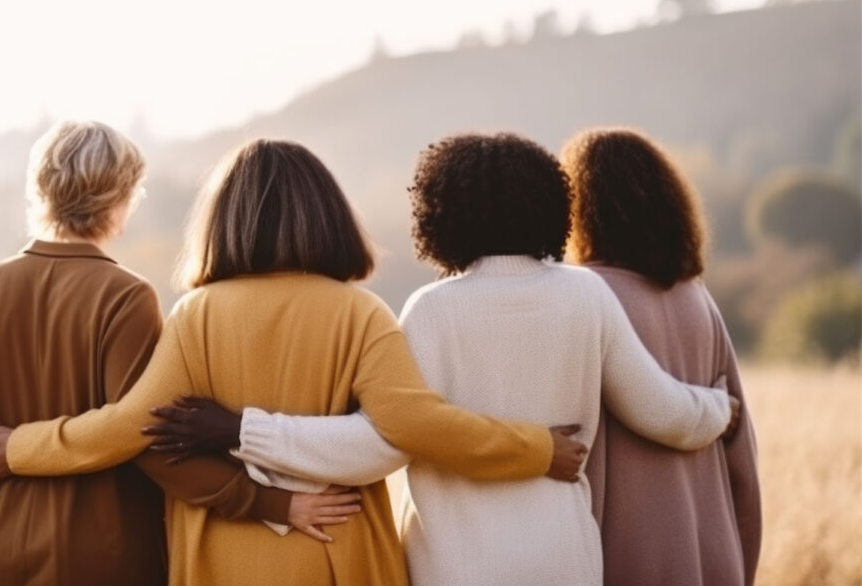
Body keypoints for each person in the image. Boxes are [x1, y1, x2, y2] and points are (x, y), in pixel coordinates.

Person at [0, 138, 591, 586]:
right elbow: (415, 423)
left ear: (223, 221)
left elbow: (129, 427)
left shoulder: (196, 316)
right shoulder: (361, 312)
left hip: (225, 563)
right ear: (328, 214)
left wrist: (18, 448)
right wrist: (537, 448)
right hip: (341, 553)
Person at [139, 132, 740, 586]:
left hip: (454, 568)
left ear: (438, 214)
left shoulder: (430, 310)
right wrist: (720, 408)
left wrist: (245, 430)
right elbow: (661, 412)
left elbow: (381, 443)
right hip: (565, 561)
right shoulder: (586, 295)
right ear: (550, 205)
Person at [0, 122, 346, 586]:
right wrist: (270, 503)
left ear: (39, 191)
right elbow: (148, 439)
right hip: (104, 556)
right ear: (120, 198)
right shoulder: (126, 296)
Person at [562, 127, 761, 586]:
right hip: (713, 557)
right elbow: (743, 462)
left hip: (624, 556)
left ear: (579, 210)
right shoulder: (700, 301)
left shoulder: (583, 298)